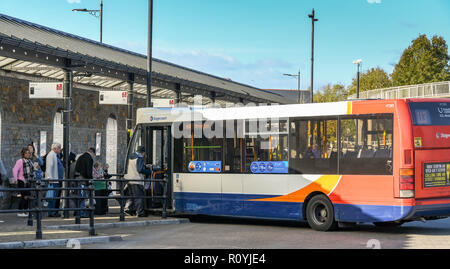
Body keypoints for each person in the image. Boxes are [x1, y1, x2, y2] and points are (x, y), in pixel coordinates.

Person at [124, 146, 152, 217]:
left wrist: (145, 166)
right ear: (143, 152)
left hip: (129, 179)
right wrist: (149, 171)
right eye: (144, 154)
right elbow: (139, 169)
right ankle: (140, 213)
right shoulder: (139, 157)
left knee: (132, 196)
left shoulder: (131, 156)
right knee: (139, 197)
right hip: (136, 179)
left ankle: (128, 208)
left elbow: (134, 166)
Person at [12, 148, 34, 217]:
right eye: (26, 153)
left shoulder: (30, 161)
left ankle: (26, 211)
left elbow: (33, 170)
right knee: (23, 196)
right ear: (23, 154)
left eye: (28, 153)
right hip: (22, 181)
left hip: (29, 181)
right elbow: (14, 170)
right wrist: (15, 179)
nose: (27, 154)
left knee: (27, 196)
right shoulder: (20, 161)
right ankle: (20, 211)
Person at [74, 148, 95, 217]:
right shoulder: (89, 158)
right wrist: (90, 181)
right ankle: (81, 212)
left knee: (79, 195)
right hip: (83, 179)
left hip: (77, 178)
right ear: (92, 153)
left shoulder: (80, 157)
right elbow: (88, 171)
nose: (93, 156)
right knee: (83, 196)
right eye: (93, 155)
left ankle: (77, 211)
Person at [45, 143, 62, 217]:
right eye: (59, 148)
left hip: (56, 179)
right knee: (52, 197)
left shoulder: (54, 155)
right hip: (53, 180)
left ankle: (53, 211)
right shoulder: (51, 155)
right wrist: (49, 178)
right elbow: (49, 167)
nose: (60, 149)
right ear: (55, 148)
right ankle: (51, 212)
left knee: (55, 196)